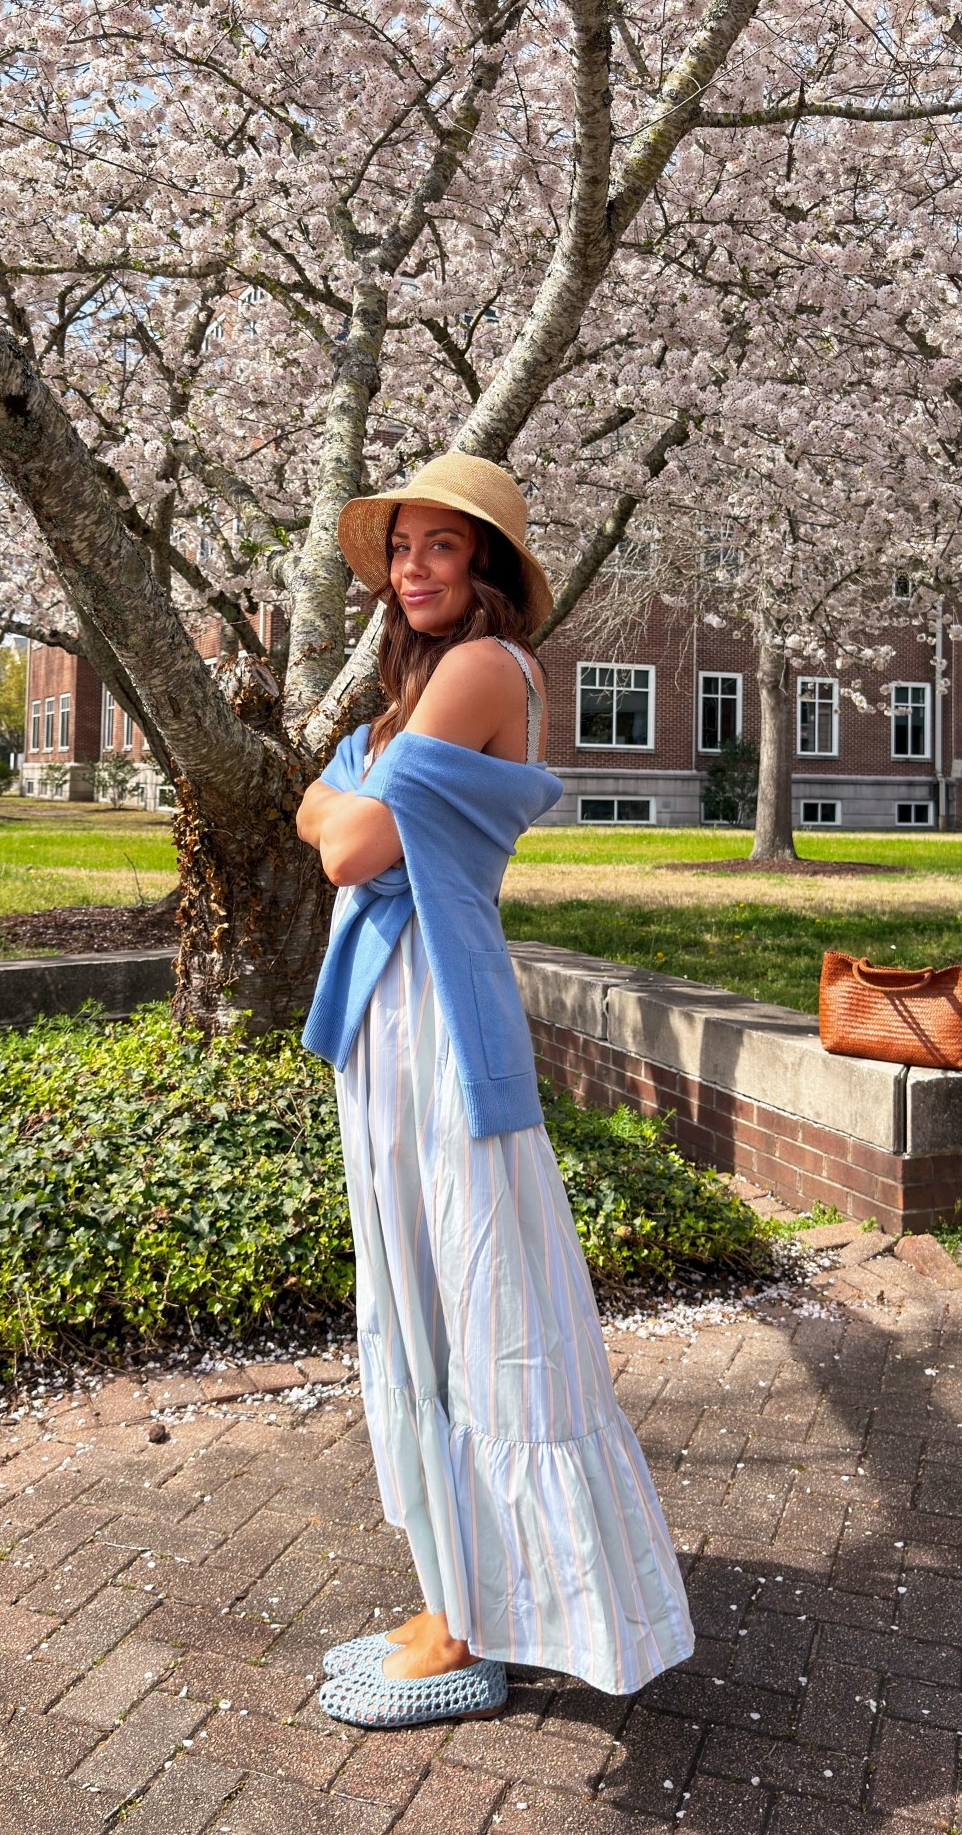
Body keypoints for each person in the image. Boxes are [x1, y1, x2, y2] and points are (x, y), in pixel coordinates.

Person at [296, 452, 694, 1730]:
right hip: (392, 1014)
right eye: (401, 546)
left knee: (475, 1298)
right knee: (418, 1299)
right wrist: (347, 784)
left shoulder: (479, 672)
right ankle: (450, 1594)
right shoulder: (423, 685)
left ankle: (479, 1622)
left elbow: (347, 838)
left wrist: (337, 789)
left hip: (439, 1021)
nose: (413, 567)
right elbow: (348, 806)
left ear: (486, 570)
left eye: (440, 548)